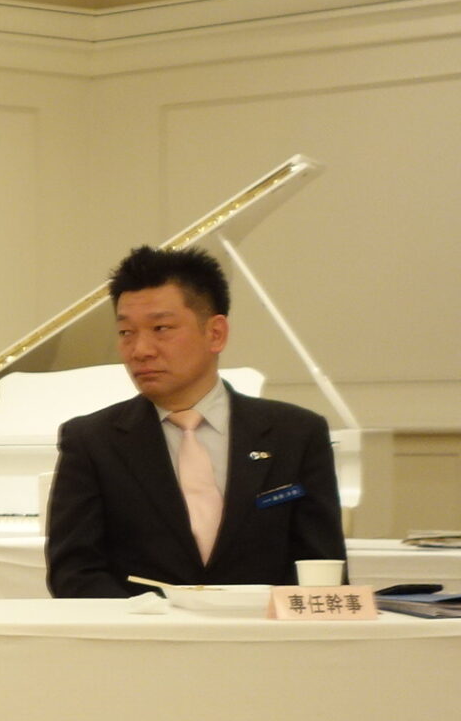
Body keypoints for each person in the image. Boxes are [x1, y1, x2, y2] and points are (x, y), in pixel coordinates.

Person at [45, 245, 345, 597]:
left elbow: (322, 568)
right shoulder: (92, 441)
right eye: (126, 332)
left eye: (161, 328)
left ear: (215, 333)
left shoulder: (296, 434)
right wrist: (155, 618)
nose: (140, 350)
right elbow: (73, 573)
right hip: (142, 628)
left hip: (261, 628)